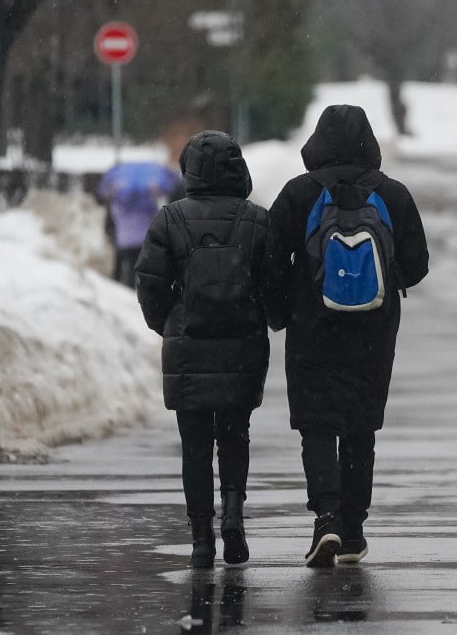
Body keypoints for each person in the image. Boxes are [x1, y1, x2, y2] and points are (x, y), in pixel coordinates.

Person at [268, 105, 429, 567]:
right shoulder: (393, 195)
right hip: (374, 333)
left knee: (316, 424)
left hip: (312, 329)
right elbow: (417, 265)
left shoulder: (299, 194)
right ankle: (355, 530)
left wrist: (283, 311)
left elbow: (271, 262)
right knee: (361, 426)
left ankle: (326, 518)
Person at [134, 131, 285, 568]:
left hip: (189, 348)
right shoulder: (258, 220)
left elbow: (149, 283)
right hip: (242, 348)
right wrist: (270, 318)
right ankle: (234, 515)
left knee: (194, 444)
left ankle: (201, 537)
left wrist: (169, 324)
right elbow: (274, 286)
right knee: (235, 437)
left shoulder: (170, 220)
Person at [97, 161, 181, 287]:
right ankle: (134, 289)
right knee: (137, 267)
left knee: (120, 264)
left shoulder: (119, 203)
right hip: (141, 240)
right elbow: (155, 215)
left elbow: (112, 218)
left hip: (123, 240)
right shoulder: (147, 202)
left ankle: (118, 286)